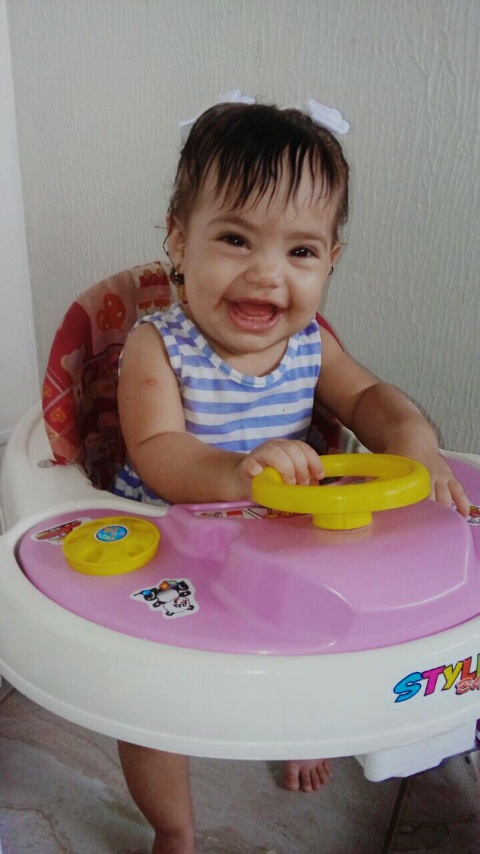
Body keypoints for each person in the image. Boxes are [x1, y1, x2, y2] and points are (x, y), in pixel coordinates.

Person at [113, 96, 470, 854]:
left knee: (315, 648)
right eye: (235, 239)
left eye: (300, 251)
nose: (267, 273)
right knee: (145, 699)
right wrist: (236, 473)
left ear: (331, 259)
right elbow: (157, 450)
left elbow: (368, 398)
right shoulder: (159, 345)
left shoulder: (310, 343)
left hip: (284, 542)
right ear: (178, 240)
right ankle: (174, 828)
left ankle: (302, 728)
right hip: (179, 543)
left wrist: (413, 440)